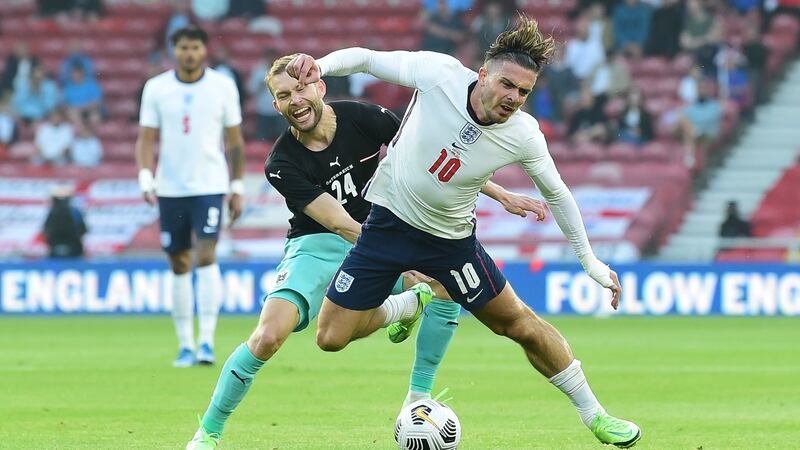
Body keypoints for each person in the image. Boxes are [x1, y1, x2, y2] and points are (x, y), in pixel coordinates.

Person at [287, 15, 642, 448]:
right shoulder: (439, 75)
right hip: (386, 226)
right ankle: (407, 304)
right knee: (330, 338)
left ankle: (596, 415)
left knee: (520, 325)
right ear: (483, 74)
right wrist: (320, 66)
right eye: (507, 85)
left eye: (524, 92)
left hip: (451, 243)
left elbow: (559, 194)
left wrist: (589, 260)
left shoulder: (524, 135)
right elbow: (365, 59)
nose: (513, 98)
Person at [185, 53, 547, 450]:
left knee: (446, 281)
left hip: (382, 232)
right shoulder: (280, 162)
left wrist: (499, 194)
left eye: (301, 88)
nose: (296, 100)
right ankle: (209, 433)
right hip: (316, 245)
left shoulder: (363, 117)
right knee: (268, 336)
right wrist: (404, 264)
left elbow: (436, 159)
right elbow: (337, 221)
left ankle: (418, 398)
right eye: (284, 95)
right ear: (276, 105)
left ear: (319, 86)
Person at [135, 26, 246, 368]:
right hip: (171, 188)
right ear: (174, 51)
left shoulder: (222, 86)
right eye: (183, 48)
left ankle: (207, 342)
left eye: (195, 47)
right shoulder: (156, 89)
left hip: (210, 185)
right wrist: (145, 176)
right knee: (179, 262)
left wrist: (237, 185)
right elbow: (146, 139)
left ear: (204, 50)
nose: (189, 54)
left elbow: (235, 142)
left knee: (207, 254)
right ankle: (185, 344)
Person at [43, 185, 87, 258]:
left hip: (73, 249)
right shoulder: (53, 213)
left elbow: (46, 230)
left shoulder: (75, 212)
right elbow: (83, 230)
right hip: (59, 248)